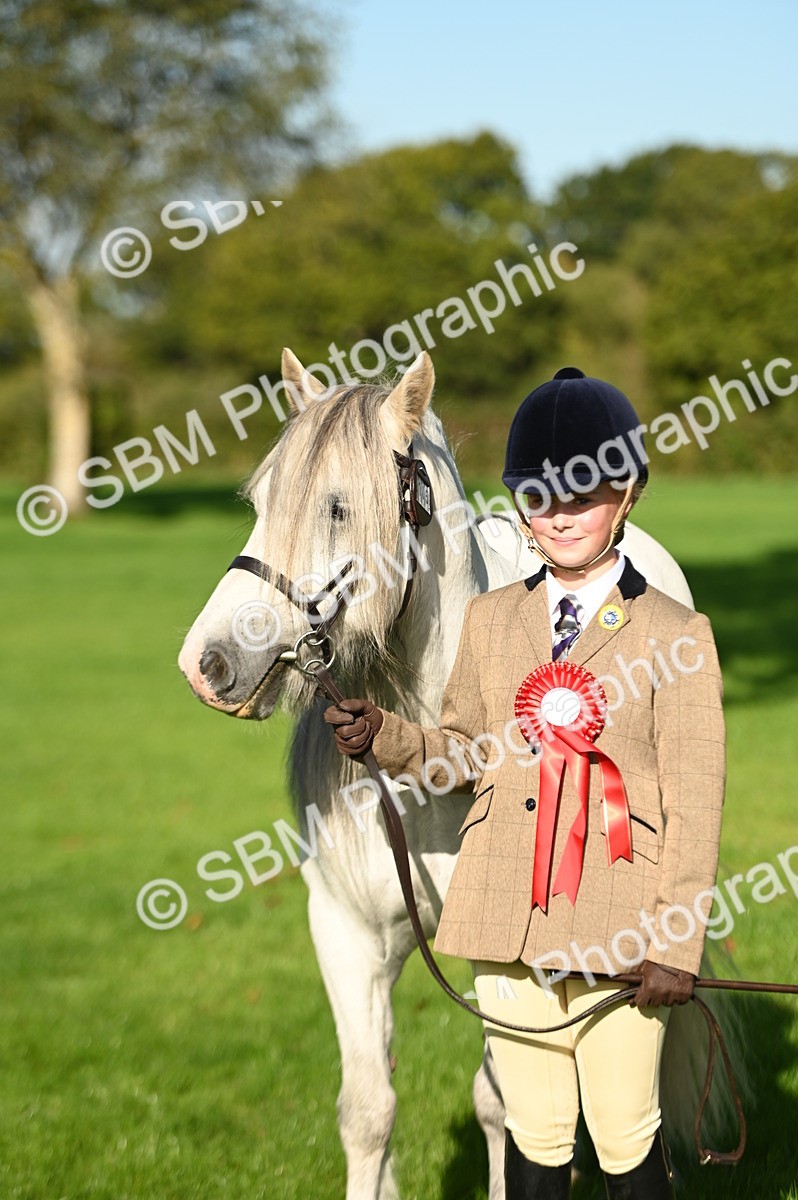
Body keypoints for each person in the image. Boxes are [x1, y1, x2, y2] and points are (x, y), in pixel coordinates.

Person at [323, 368, 725, 1199]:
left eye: (587, 492)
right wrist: (385, 738)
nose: (563, 513)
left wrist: (677, 944)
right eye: (541, 496)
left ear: (629, 495)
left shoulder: (676, 633)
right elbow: (468, 749)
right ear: (516, 506)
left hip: (622, 925)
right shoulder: (494, 618)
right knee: (535, 1141)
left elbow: (694, 802)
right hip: (507, 920)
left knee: (623, 1138)